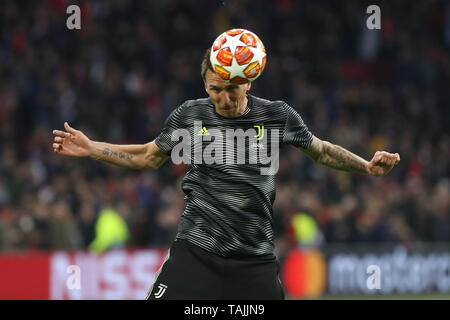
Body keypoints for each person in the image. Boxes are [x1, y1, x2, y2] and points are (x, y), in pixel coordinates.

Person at [52, 47, 400, 300]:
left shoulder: (276, 115)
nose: (223, 99)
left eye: (231, 89)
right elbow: (147, 156)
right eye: (214, 90)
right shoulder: (190, 115)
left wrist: (365, 165)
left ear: (247, 83)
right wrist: (92, 147)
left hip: (254, 257)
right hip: (197, 249)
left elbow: (321, 150)